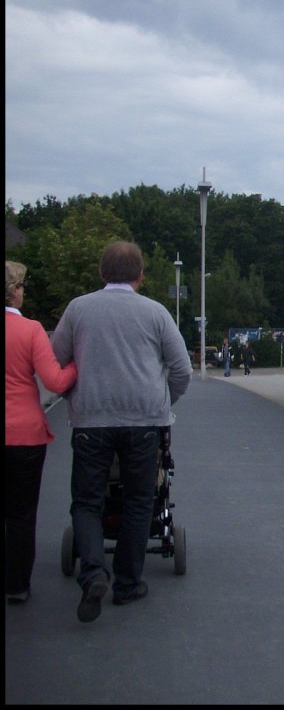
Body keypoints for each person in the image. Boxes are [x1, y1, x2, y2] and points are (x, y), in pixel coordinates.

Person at [51, 241, 192, 623]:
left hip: (91, 420)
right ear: (140, 275)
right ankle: (128, 583)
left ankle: (94, 571)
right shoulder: (156, 313)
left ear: (101, 273)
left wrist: (72, 394)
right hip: (145, 422)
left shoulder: (78, 309)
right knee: (139, 500)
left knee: (87, 501)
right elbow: (182, 370)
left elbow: (55, 360)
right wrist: (163, 404)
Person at [5, 261, 79, 605]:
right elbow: (54, 381)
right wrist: (76, 363)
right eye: (21, 286)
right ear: (13, 291)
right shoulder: (30, 331)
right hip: (23, 435)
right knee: (21, 514)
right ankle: (17, 585)